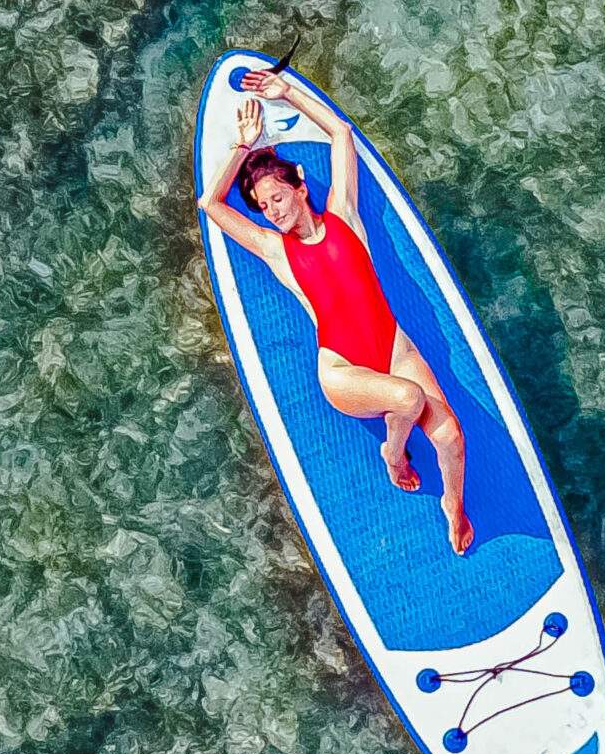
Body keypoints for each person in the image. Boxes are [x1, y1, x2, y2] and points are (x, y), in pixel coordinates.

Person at [199, 66, 473, 555]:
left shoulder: (343, 214)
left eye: (278, 198)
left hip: (391, 348)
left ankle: (452, 506)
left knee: (451, 436)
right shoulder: (276, 250)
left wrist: (288, 92)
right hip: (341, 368)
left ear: (301, 187)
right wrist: (242, 146)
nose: (274, 212)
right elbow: (211, 204)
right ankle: (393, 454)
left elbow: (340, 133)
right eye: (264, 207)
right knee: (409, 400)